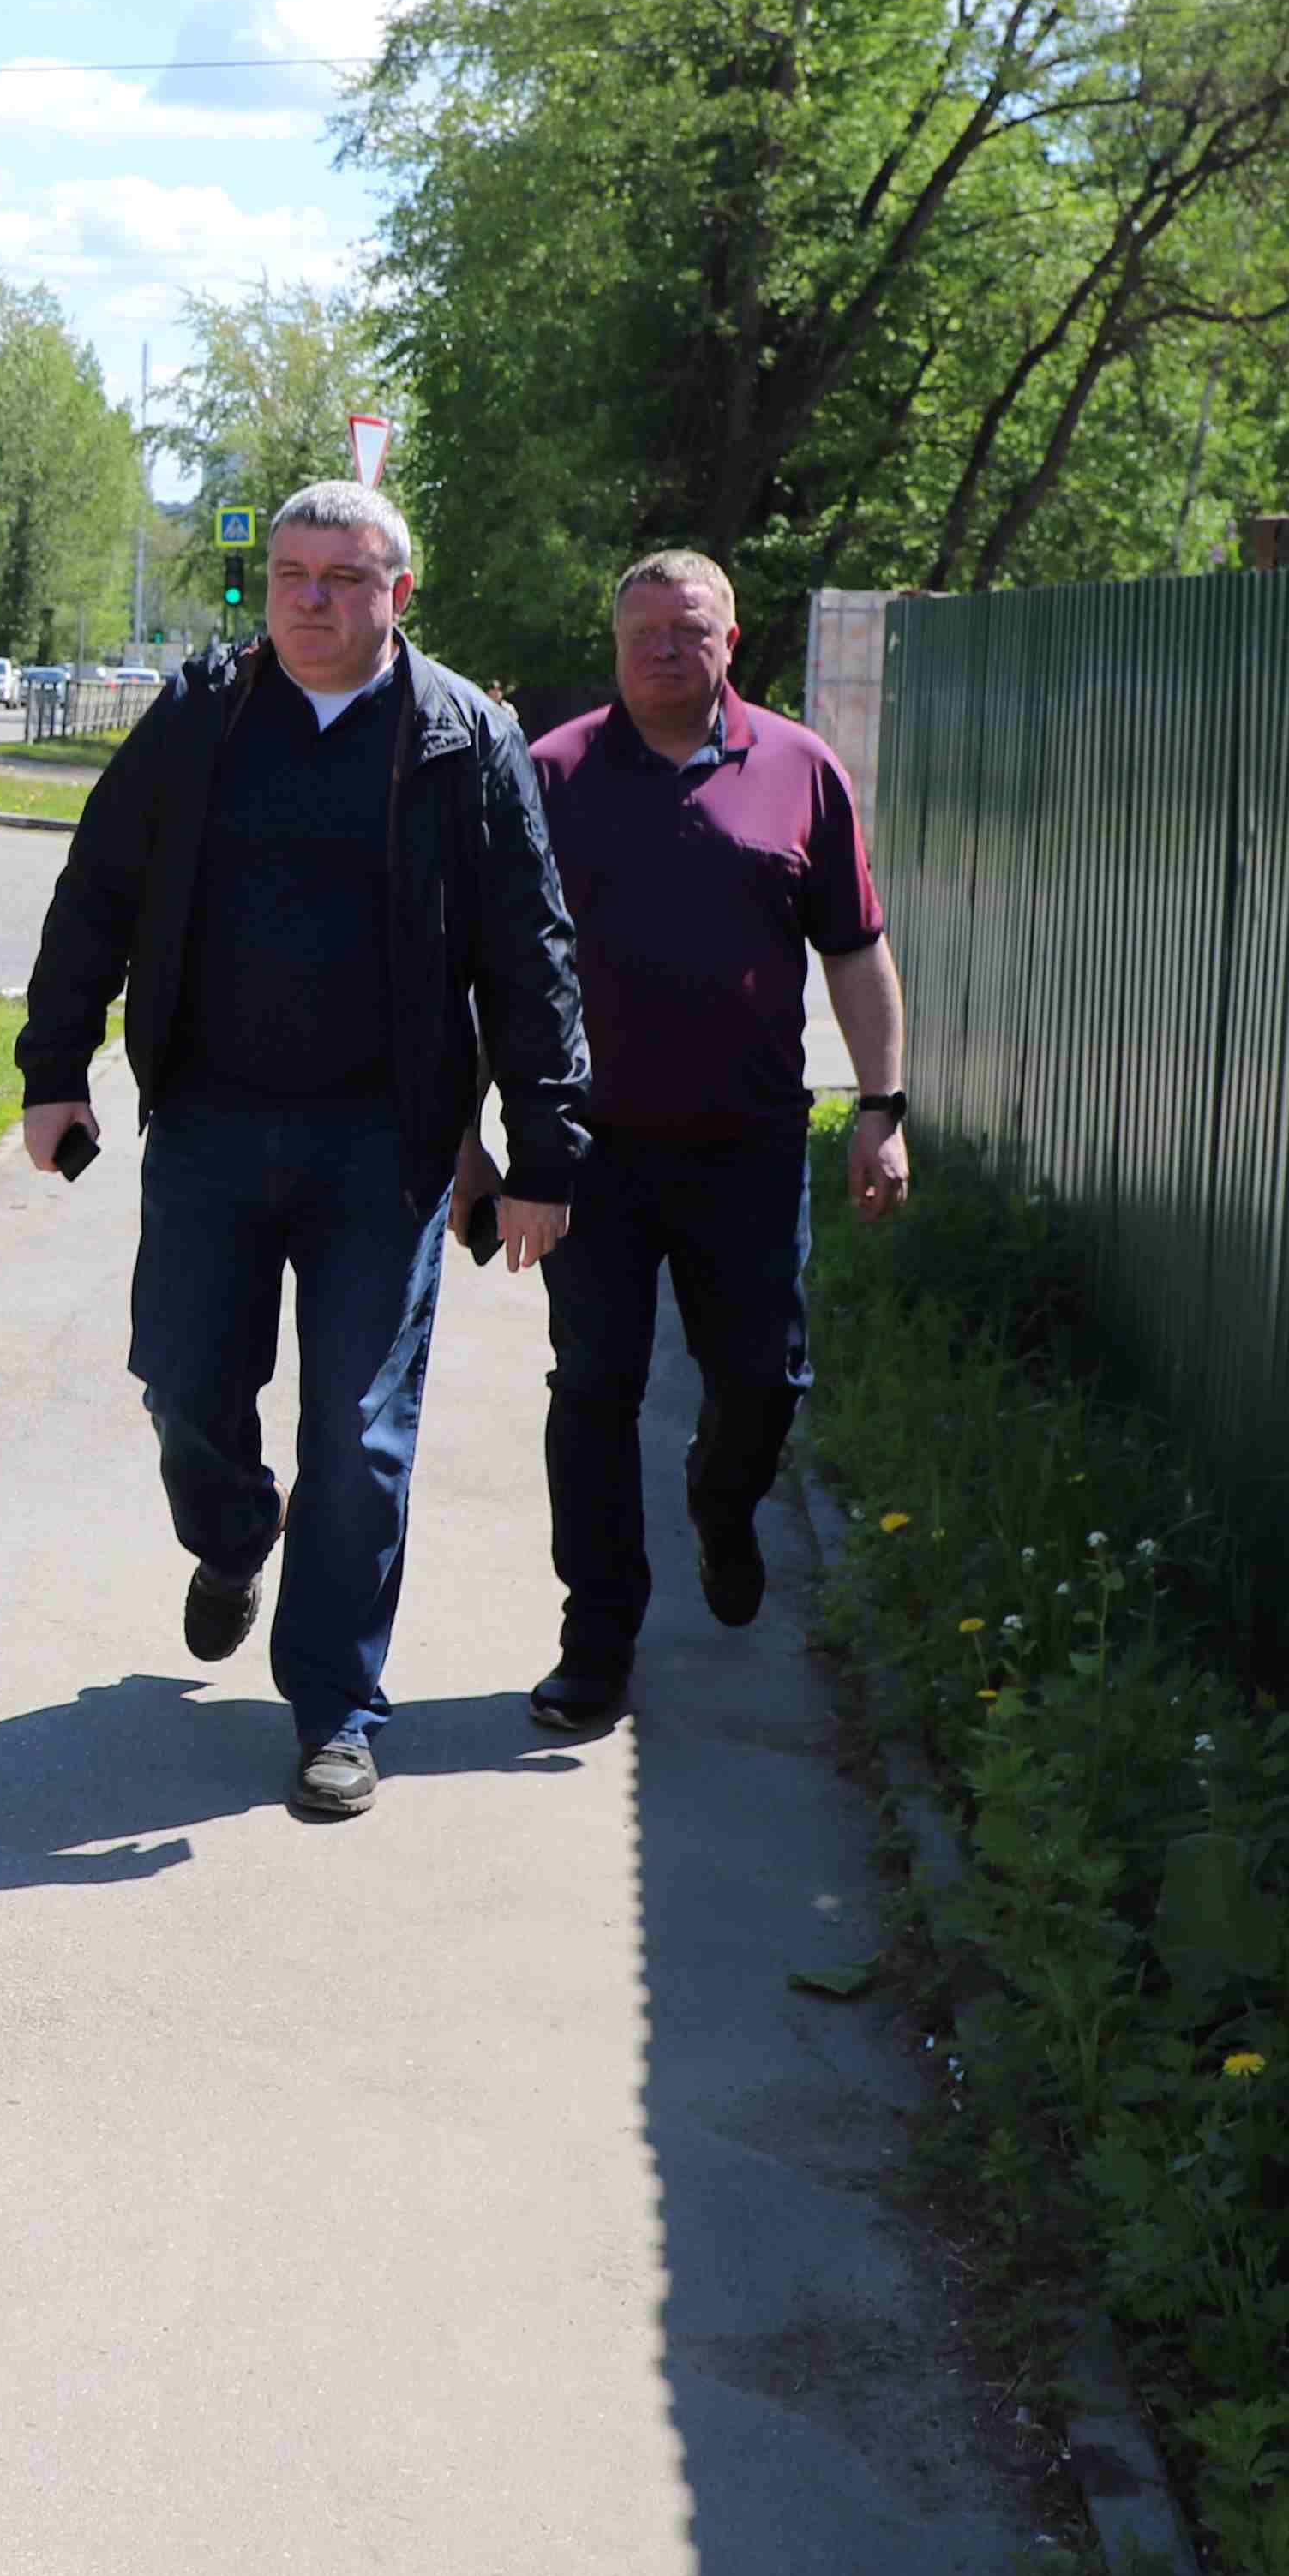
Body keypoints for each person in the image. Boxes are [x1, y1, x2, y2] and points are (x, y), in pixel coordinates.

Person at [15, 482, 588, 1820]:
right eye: (290, 575)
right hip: (210, 1124)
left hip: (381, 1148)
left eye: (344, 576)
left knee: (361, 1432)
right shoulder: (204, 714)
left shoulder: (462, 736)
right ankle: (229, 1538)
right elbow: (97, 887)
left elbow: (530, 949)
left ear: (402, 593)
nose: (312, 599)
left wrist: (544, 1147)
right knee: (184, 1384)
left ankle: (334, 1705)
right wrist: (55, 1072)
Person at [517, 550, 910, 1740]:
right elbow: (495, 967)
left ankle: (723, 1501)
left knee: (763, 1378)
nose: (661, 649)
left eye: (686, 630)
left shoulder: (801, 770)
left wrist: (884, 1110)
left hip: (748, 1146)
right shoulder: (554, 772)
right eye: (641, 630)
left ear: (729, 641)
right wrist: (488, 1144)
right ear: (616, 642)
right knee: (594, 1389)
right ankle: (598, 1641)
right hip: (595, 1155)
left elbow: (854, 948)